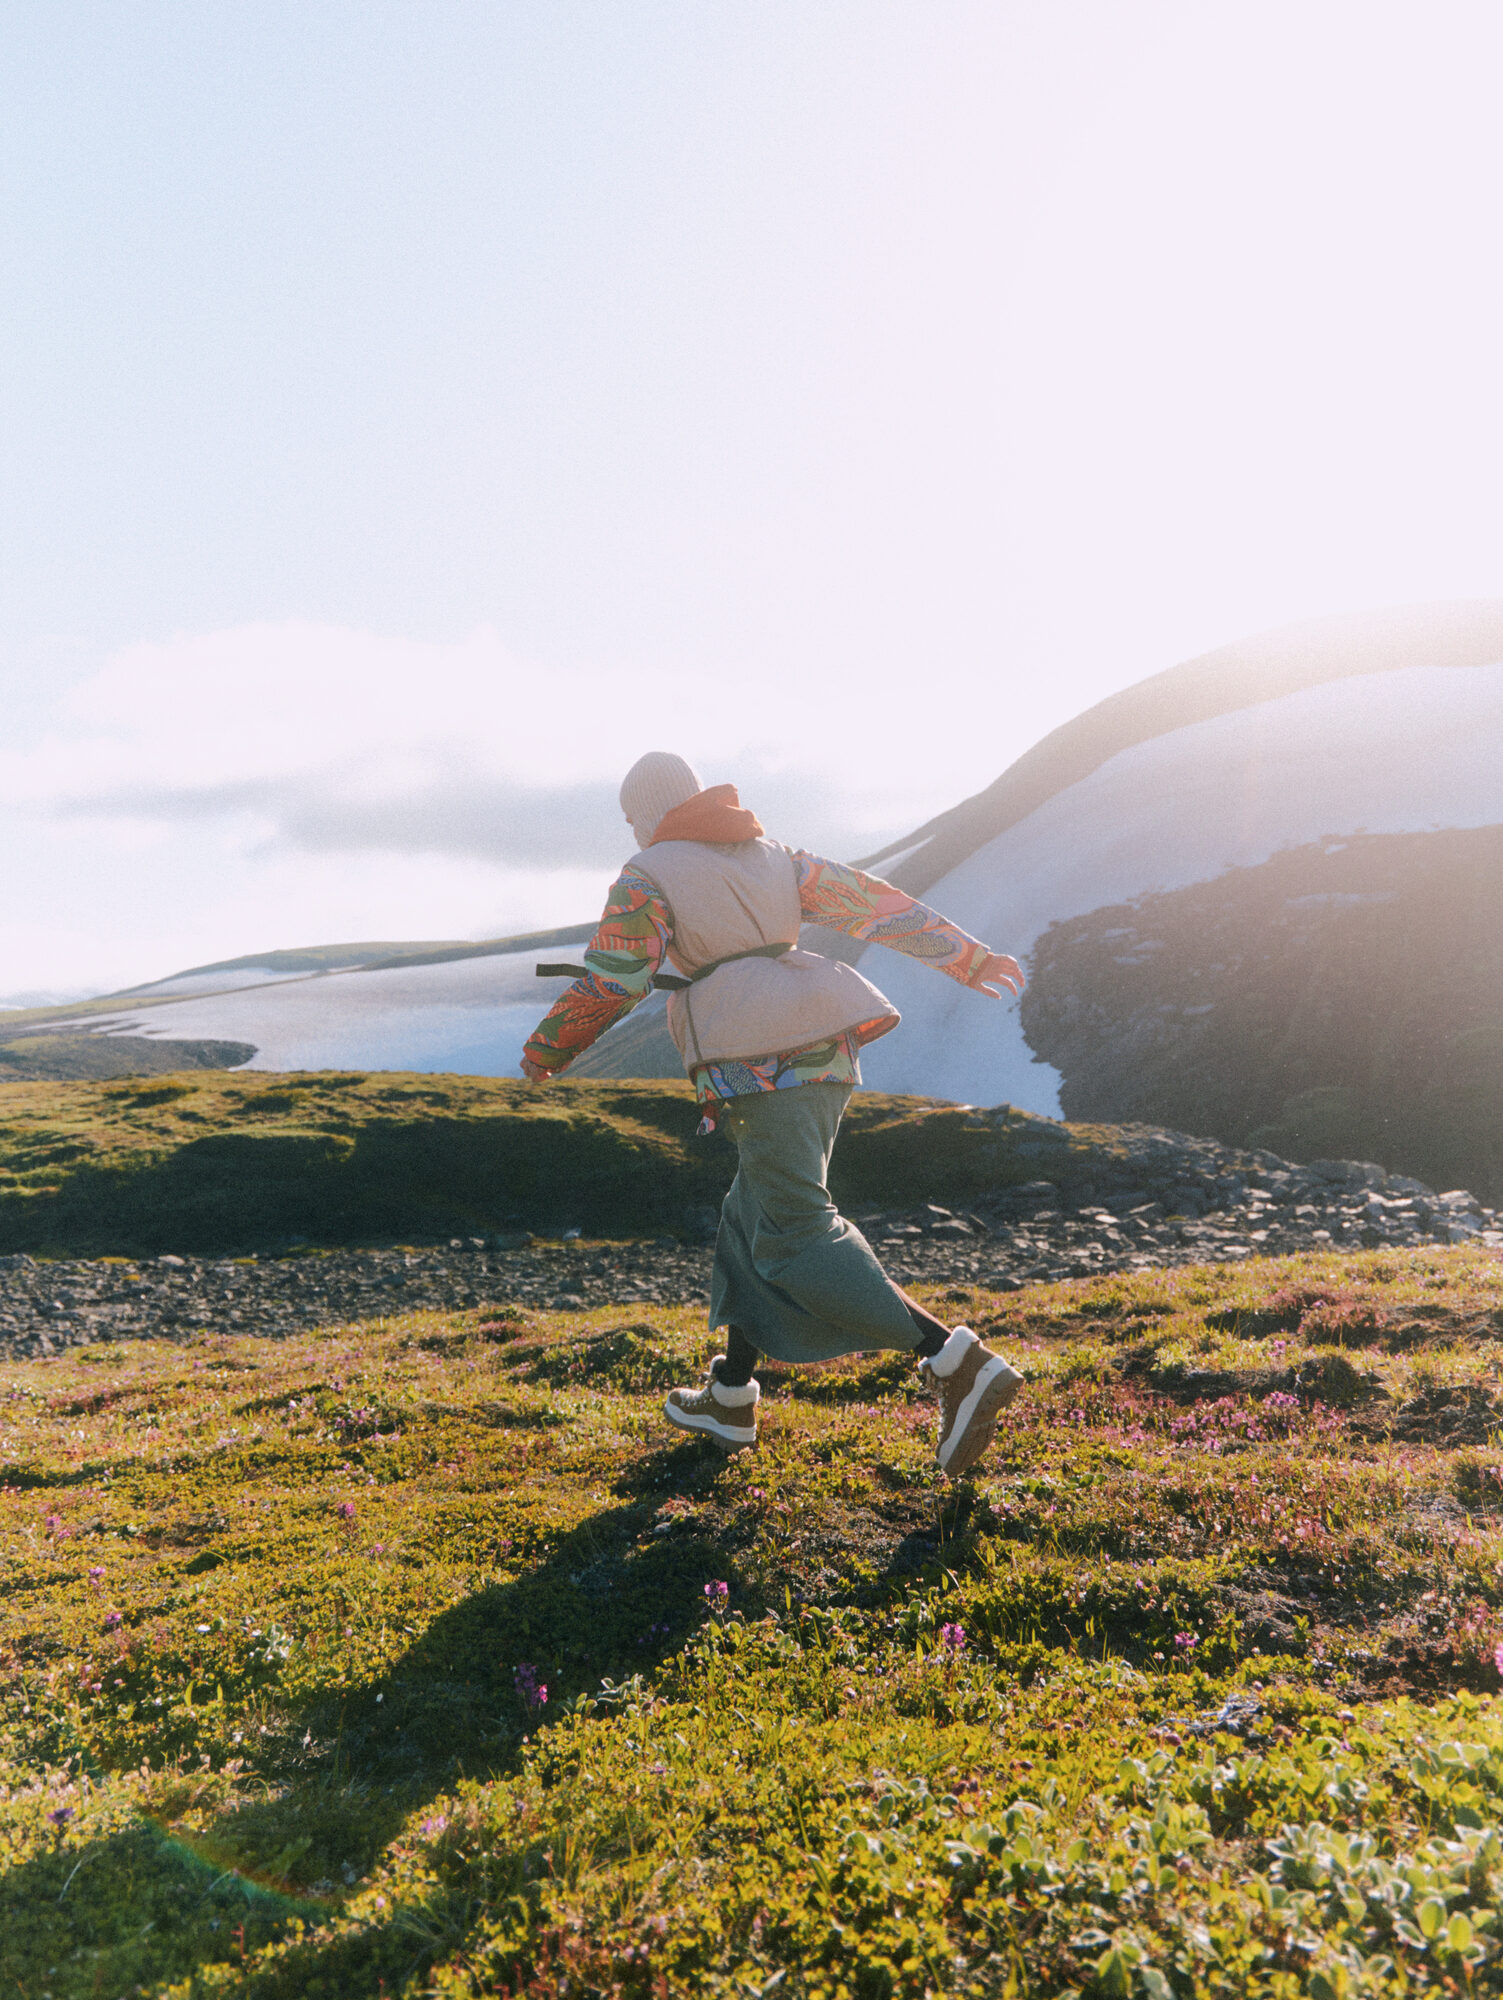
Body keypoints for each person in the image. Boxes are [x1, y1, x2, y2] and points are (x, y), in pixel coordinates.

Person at [520, 751, 1028, 1476]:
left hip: (754, 1055)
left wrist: (550, 1047)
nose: (633, 831)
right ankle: (729, 1396)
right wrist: (967, 958)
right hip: (825, 1046)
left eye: (633, 818)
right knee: (748, 1216)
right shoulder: (772, 855)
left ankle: (955, 1361)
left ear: (647, 814)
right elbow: (872, 903)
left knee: (793, 1230)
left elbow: (617, 976)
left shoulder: (648, 873)